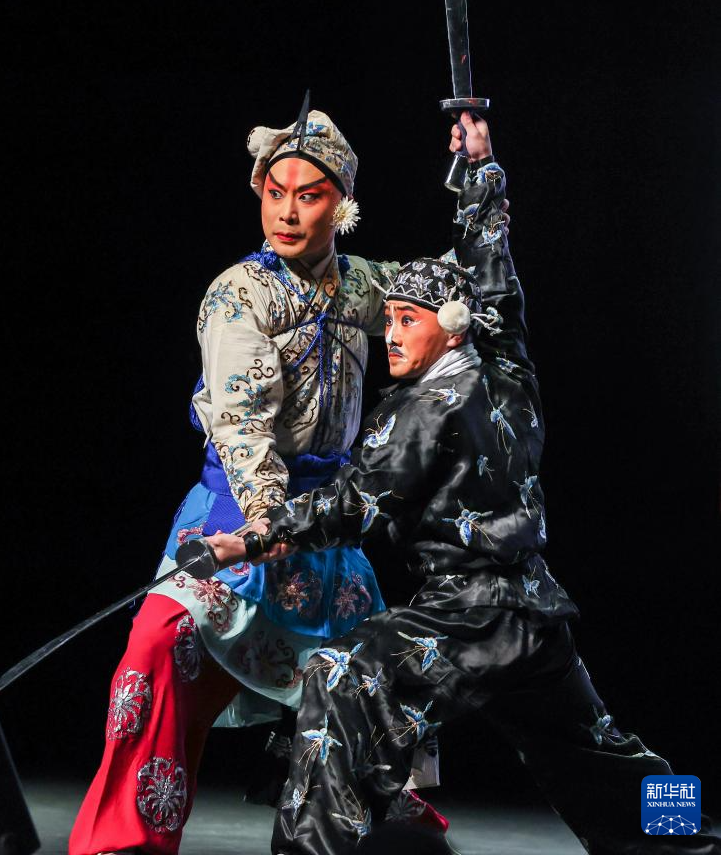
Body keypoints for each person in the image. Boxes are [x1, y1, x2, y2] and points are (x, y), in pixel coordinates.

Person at [205, 116, 721, 855]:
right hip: (535, 612)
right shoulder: (510, 373)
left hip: (467, 614)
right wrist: (481, 176)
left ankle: (311, 851)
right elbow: (497, 290)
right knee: (599, 751)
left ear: (449, 327)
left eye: (408, 320)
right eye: (387, 318)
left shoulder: (418, 410)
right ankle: (689, 844)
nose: (390, 335)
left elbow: (352, 503)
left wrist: (253, 538)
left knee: (340, 678)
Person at [68, 105, 459, 855]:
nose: (286, 212)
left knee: (377, 689)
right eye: (274, 193)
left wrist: (477, 176)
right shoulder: (237, 295)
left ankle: (387, 843)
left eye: (309, 196)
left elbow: (458, 292)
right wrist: (263, 519)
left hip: (328, 537)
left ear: (342, 205)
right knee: (157, 649)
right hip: (235, 521)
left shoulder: (364, 287)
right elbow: (240, 417)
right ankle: (126, 843)